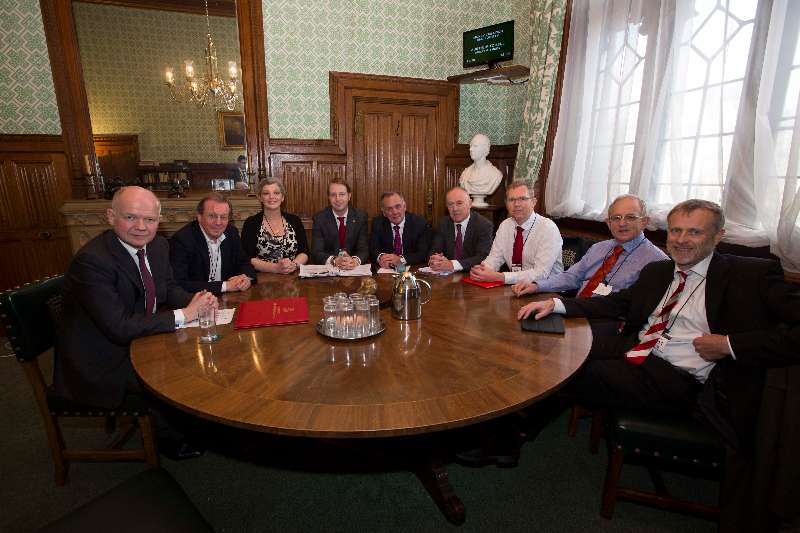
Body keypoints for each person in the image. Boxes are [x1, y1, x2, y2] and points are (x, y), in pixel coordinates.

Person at [518, 199, 800, 449]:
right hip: (638, 347)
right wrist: (556, 304)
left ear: (717, 237)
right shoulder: (660, 271)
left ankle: (512, 435)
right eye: (676, 231)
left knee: (575, 371)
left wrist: (730, 344)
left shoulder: (750, 276)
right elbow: (617, 303)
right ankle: (514, 428)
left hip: (681, 377)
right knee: (552, 347)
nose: (681, 239)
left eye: (695, 232)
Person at [54, 186, 217, 459]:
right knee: (175, 372)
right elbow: (119, 328)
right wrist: (185, 315)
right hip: (102, 358)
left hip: (139, 337)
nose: (141, 227)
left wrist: (197, 299)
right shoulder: (92, 261)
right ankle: (170, 440)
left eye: (150, 220)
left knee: (200, 354)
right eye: (131, 217)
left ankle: (189, 423)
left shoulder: (158, 246)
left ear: (158, 221)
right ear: (110, 216)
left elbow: (167, 289)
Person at [512, 194, 667, 298]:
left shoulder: (658, 263)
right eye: (616, 218)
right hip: (577, 310)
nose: (622, 223)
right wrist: (536, 286)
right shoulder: (599, 248)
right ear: (608, 223)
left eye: (631, 217)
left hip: (610, 322)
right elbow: (572, 277)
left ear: (644, 222)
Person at [470, 180, 563, 285]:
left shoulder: (548, 228)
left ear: (533, 202)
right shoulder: (505, 225)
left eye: (522, 199)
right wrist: (483, 270)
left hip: (547, 290)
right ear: (506, 204)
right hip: (515, 286)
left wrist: (501, 277)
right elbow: (495, 257)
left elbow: (541, 273)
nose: (517, 204)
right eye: (511, 200)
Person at [170, 193, 256, 295]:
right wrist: (225, 286)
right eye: (212, 216)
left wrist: (245, 278)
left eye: (223, 217)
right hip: (196, 302)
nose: (218, 223)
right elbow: (180, 284)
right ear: (199, 217)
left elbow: (245, 263)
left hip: (229, 298)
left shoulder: (231, 232)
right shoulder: (182, 240)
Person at [241, 177, 309, 274]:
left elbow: (304, 252)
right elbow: (247, 258)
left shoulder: (295, 221)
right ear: (260, 197)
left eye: (276, 193)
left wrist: (294, 265)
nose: (271, 197)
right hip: (263, 280)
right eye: (266, 193)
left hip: (292, 277)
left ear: (282, 197)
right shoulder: (251, 223)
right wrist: (276, 268)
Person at [428, 186, 493, 272]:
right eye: (450, 204)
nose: (455, 209)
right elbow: (434, 250)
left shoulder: (483, 225)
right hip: (446, 276)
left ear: (470, 203)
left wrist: (452, 265)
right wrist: (434, 259)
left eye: (459, 203)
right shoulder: (444, 223)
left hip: (471, 275)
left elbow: (482, 257)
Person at [310, 178, 369, 268]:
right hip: (329, 271)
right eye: (333, 195)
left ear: (349, 196)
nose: (337, 199)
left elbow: (363, 249)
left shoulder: (360, 217)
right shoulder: (319, 218)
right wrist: (334, 260)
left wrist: (355, 261)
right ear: (329, 197)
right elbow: (316, 252)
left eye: (342, 194)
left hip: (353, 270)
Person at [370, 191, 432, 268]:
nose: (395, 212)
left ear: (404, 206)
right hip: (386, 270)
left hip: (413, 268)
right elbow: (373, 249)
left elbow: (423, 253)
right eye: (389, 209)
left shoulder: (420, 223)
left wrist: (400, 260)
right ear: (384, 213)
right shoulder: (378, 223)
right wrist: (381, 258)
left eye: (398, 206)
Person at [459, 134, 503, 207]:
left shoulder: (496, 175)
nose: (471, 149)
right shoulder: (465, 174)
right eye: (470, 146)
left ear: (485, 150)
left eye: (475, 146)